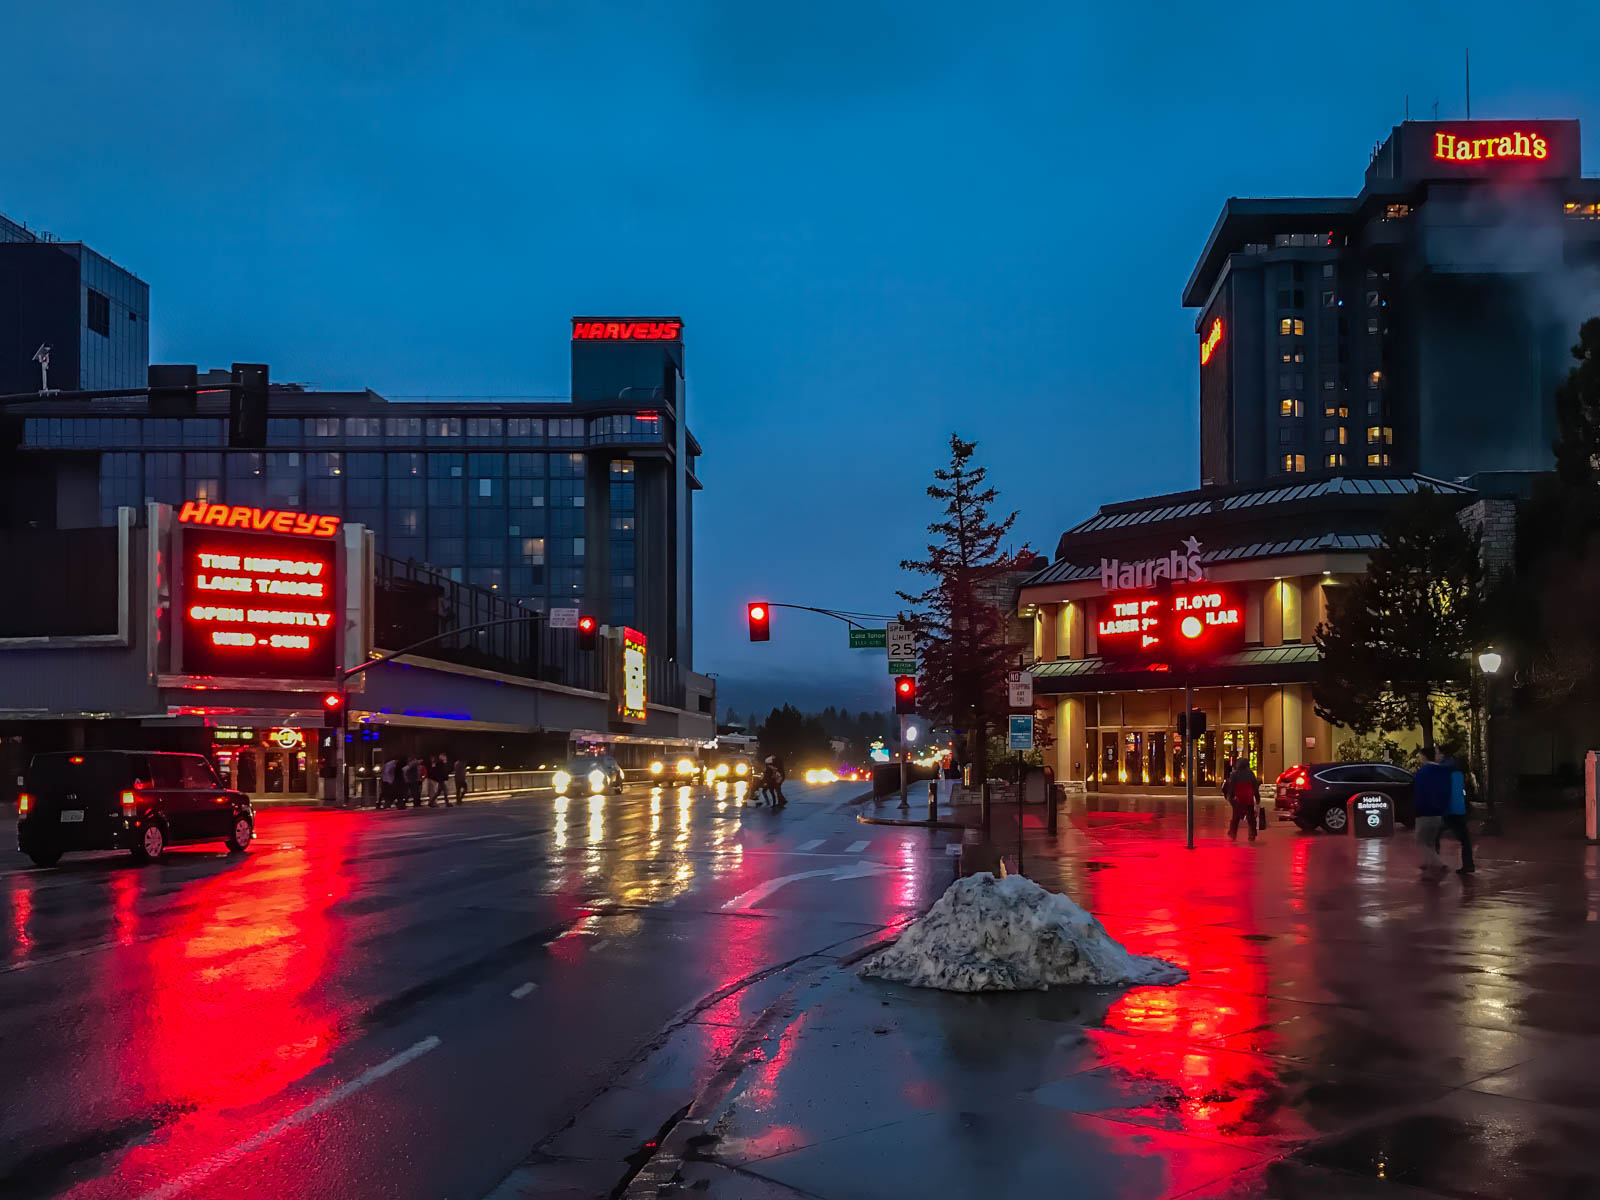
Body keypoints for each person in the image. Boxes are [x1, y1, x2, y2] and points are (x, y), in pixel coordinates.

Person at [1412, 748, 1450, 876]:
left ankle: (1437, 864)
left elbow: (1420, 793)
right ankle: (1430, 865)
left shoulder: (1423, 772)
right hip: (1438, 811)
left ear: (1424, 757)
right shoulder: (1442, 771)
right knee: (1430, 841)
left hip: (1425, 811)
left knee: (1421, 840)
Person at [1437, 753, 1476, 875]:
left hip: (1450, 811)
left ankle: (1434, 862)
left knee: (1434, 835)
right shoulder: (1458, 774)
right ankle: (1468, 864)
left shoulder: (1445, 773)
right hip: (1458, 810)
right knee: (1464, 839)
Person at [1224, 757, 1259, 842]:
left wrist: (1230, 797)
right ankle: (1252, 834)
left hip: (1238, 799)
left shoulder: (1234, 774)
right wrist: (1257, 798)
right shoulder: (1251, 774)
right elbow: (1255, 787)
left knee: (1235, 817)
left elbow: (1232, 787)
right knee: (1251, 818)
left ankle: (1233, 833)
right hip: (1248, 798)